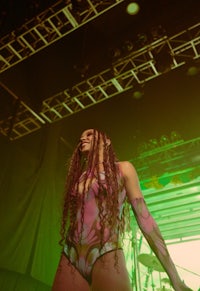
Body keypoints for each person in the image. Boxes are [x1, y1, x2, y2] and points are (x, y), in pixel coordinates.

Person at [52, 128, 192, 291]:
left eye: (89, 134)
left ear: (106, 142)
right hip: (70, 254)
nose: (82, 138)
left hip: (105, 252)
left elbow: (145, 220)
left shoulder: (123, 169)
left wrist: (174, 278)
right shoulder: (79, 178)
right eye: (81, 136)